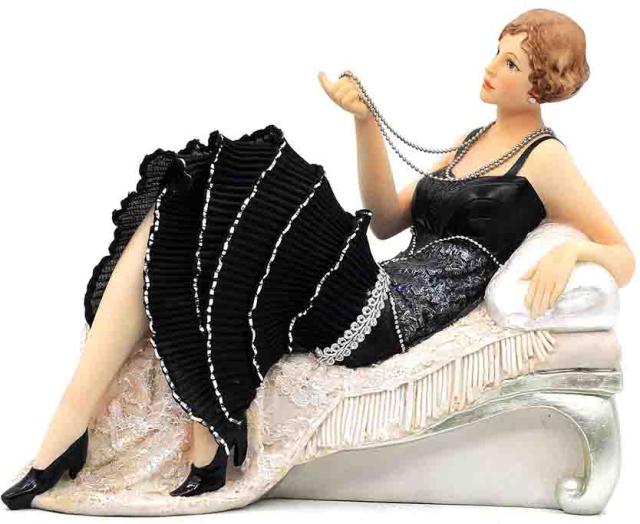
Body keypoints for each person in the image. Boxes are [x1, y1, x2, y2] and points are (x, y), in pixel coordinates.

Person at [2, 7, 634, 511]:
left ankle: (199, 430)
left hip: (391, 316)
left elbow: (623, 256)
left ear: (543, 82)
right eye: (496, 51)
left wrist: (572, 250)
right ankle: (83, 435)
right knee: (188, 203)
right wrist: (364, 122)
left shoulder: (546, 157)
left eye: (512, 62)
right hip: (377, 282)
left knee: (267, 178)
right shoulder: (473, 140)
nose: (491, 67)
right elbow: (386, 219)